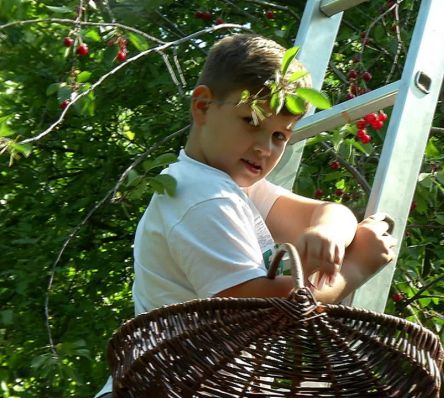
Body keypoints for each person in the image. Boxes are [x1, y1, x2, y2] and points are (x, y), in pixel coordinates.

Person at [94, 33, 396, 397]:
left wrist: (329, 229)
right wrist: (356, 267)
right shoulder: (202, 197)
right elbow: (267, 311)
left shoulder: (229, 185)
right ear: (202, 107)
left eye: (280, 136)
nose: (263, 148)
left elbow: (326, 211)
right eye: (251, 122)